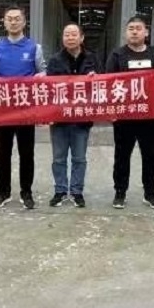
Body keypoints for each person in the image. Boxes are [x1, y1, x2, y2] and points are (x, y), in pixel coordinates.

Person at [0, 5, 46, 209]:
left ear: (24, 22)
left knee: (26, 154)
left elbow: (43, 71)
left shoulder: (34, 47)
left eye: (17, 18)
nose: (13, 21)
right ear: (4, 22)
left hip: (26, 109)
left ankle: (26, 192)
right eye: (9, 18)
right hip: (3, 109)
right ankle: (4, 192)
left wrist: (41, 75)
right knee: (3, 154)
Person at [105, 16, 154, 210]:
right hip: (124, 116)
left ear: (146, 32)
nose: (134, 31)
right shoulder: (117, 55)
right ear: (126, 33)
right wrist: (111, 110)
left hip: (149, 116)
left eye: (138, 28)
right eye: (131, 28)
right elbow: (108, 81)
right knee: (122, 156)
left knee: (150, 156)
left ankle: (150, 193)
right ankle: (120, 192)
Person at [46, 23, 102, 208]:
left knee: (79, 158)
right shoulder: (55, 60)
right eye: (66, 35)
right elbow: (48, 88)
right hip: (59, 118)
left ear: (82, 37)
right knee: (58, 158)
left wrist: (96, 77)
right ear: (63, 38)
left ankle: (77, 191)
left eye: (73, 34)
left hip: (81, 117)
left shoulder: (92, 59)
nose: (70, 38)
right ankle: (60, 191)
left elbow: (104, 84)